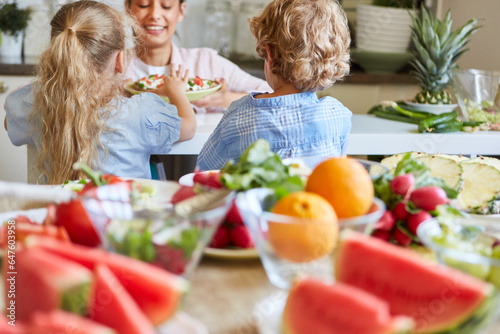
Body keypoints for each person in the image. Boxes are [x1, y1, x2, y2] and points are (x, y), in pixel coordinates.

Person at [4, 0, 196, 184]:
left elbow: (8, 123)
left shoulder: (34, 103)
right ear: (120, 60)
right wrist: (176, 91)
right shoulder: (141, 111)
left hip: (57, 214)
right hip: (124, 215)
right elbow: (188, 126)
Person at [196, 0, 352, 171]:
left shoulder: (240, 116)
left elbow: (204, 170)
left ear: (269, 54)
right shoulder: (338, 116)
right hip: (311, 198)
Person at [124, 0, 271, 113]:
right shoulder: (110, 65)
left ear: (181, 11)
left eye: (166, 5)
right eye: (143, 5)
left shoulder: (205, 61)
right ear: (128, 8)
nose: (155, 15)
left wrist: (221, 99)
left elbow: (272, 94)